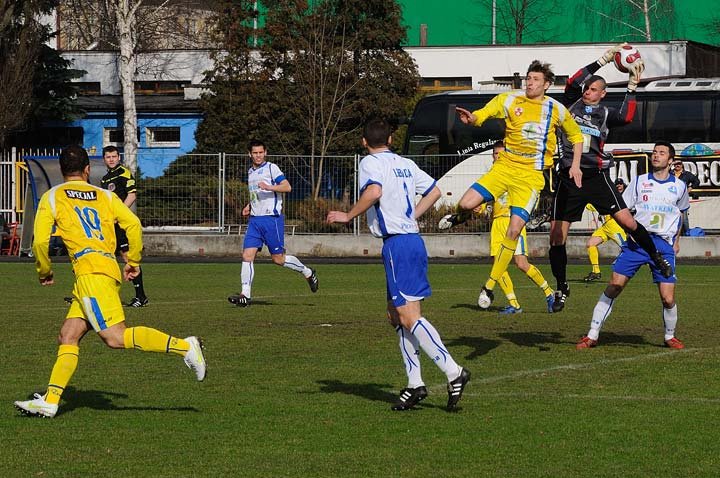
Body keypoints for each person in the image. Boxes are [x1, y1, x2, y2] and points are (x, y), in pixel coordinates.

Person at [14, 145, 206, 418]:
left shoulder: (52, 196)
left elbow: (41, 240)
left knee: (115, 338)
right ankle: (51, 399)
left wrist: (44, 270)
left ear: (61, 169)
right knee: (68, 335)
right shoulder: (104, 195)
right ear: (87, 169)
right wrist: (134, 260)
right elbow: (133, 225)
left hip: (91, 274)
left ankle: (185, 346)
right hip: (103, 269)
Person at [327, 118, 470, 411]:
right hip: (408, 241)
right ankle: (415, 383)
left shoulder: (370, 163)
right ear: (391, 139)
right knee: (396, 315)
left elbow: (374, 192)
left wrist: (347, 216)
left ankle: (454, 372)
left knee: (408, 317)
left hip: (398, 245)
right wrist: (412, 216)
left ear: (364, 142)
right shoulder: (404, 163)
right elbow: (434, 191)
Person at [440, 60, 584, 310]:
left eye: (536, 79)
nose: (530, 82)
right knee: (465, 203)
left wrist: (575, 165)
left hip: (529, 177)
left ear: (547, 85)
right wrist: (472, 118)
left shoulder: (556, 109)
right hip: (504, 169)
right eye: (528, 78)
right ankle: (461, 216)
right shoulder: (509, 100)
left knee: (514, 231)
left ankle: (489, 287)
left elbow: (577, 136)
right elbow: (484, 114)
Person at [549, 44, 673, 313]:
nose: (587, 91)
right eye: (587, 88)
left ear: (603, 93)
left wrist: (632, 86)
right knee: (557, 237)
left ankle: (656, 257)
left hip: (595, 176)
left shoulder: (605, 114)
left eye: (593, 89)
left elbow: (627, 117)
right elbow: (572, 81)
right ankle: (561, 287)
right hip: (569, 177)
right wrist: (602, 61)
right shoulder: (571, 104)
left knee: (628, 222)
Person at [576, 141, 689, 350]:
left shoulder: (680, 187)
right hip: (637, 243)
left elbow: (680, 215)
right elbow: (622, 209)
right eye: (655, 152)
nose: (656, 156)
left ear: (671, 160)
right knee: (614, 286)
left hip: (663, 244)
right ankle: (592, 335)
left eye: (662, 153)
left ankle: (669, 336)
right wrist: (629, 232)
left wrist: (677, 241)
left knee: (667, 298)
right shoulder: (639, 182)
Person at [227, 140, 318, 307]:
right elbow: (256, 194)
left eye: (261, 152)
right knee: (247, 256)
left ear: (265, 152)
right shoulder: (250, 172)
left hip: (272, 219)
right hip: (255, 220)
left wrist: (270, 187)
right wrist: (249, 205)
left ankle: (307, 271)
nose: (258, 155)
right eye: (255, 153)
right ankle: (245, 295)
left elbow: (287, 187)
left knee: (278, 259)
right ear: (250, 154)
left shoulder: (271, 168)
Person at [473, 142, 556, 314]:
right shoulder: (492, 176)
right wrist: (479, 209)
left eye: (502, 153)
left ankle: (549, 292)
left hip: (514, 223)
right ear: (493, 156)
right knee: (498, 265)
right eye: (496, 154)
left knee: (521, 263)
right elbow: (485, 202)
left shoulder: (516, 173)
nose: (499, 156)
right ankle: (514, 303)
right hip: (497, 223)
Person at [100, 145, 148, 307]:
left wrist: (119, 214)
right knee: (104, 256)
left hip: (121, 223)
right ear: (104, 159)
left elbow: (132, 195)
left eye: (114, 156)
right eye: (108, 157)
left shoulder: (124, 173)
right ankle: (100, 294)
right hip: (108, 224)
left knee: (128, 257)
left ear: (118, 157)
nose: (111, 159)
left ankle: (141, 297)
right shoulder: (105, 179)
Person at [582, 178, 628, 282]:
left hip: (614, 226)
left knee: (627, 247)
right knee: (590, 244)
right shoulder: (600, 194)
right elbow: (590, 205)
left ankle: (652, 262)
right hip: (605, 226)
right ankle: (596, 271)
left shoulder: (612, 195)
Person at [672, 160, 699, 234]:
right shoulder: (670, 173)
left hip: (682, 198)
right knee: (671, 216)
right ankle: (674, 234)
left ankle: (686, 234)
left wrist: (690, 188)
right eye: (676, 164)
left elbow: (697, 181)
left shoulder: (687, 174)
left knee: (684, 218)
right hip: (671, 198)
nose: (677, 165)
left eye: (679, 164)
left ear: (682, 165)